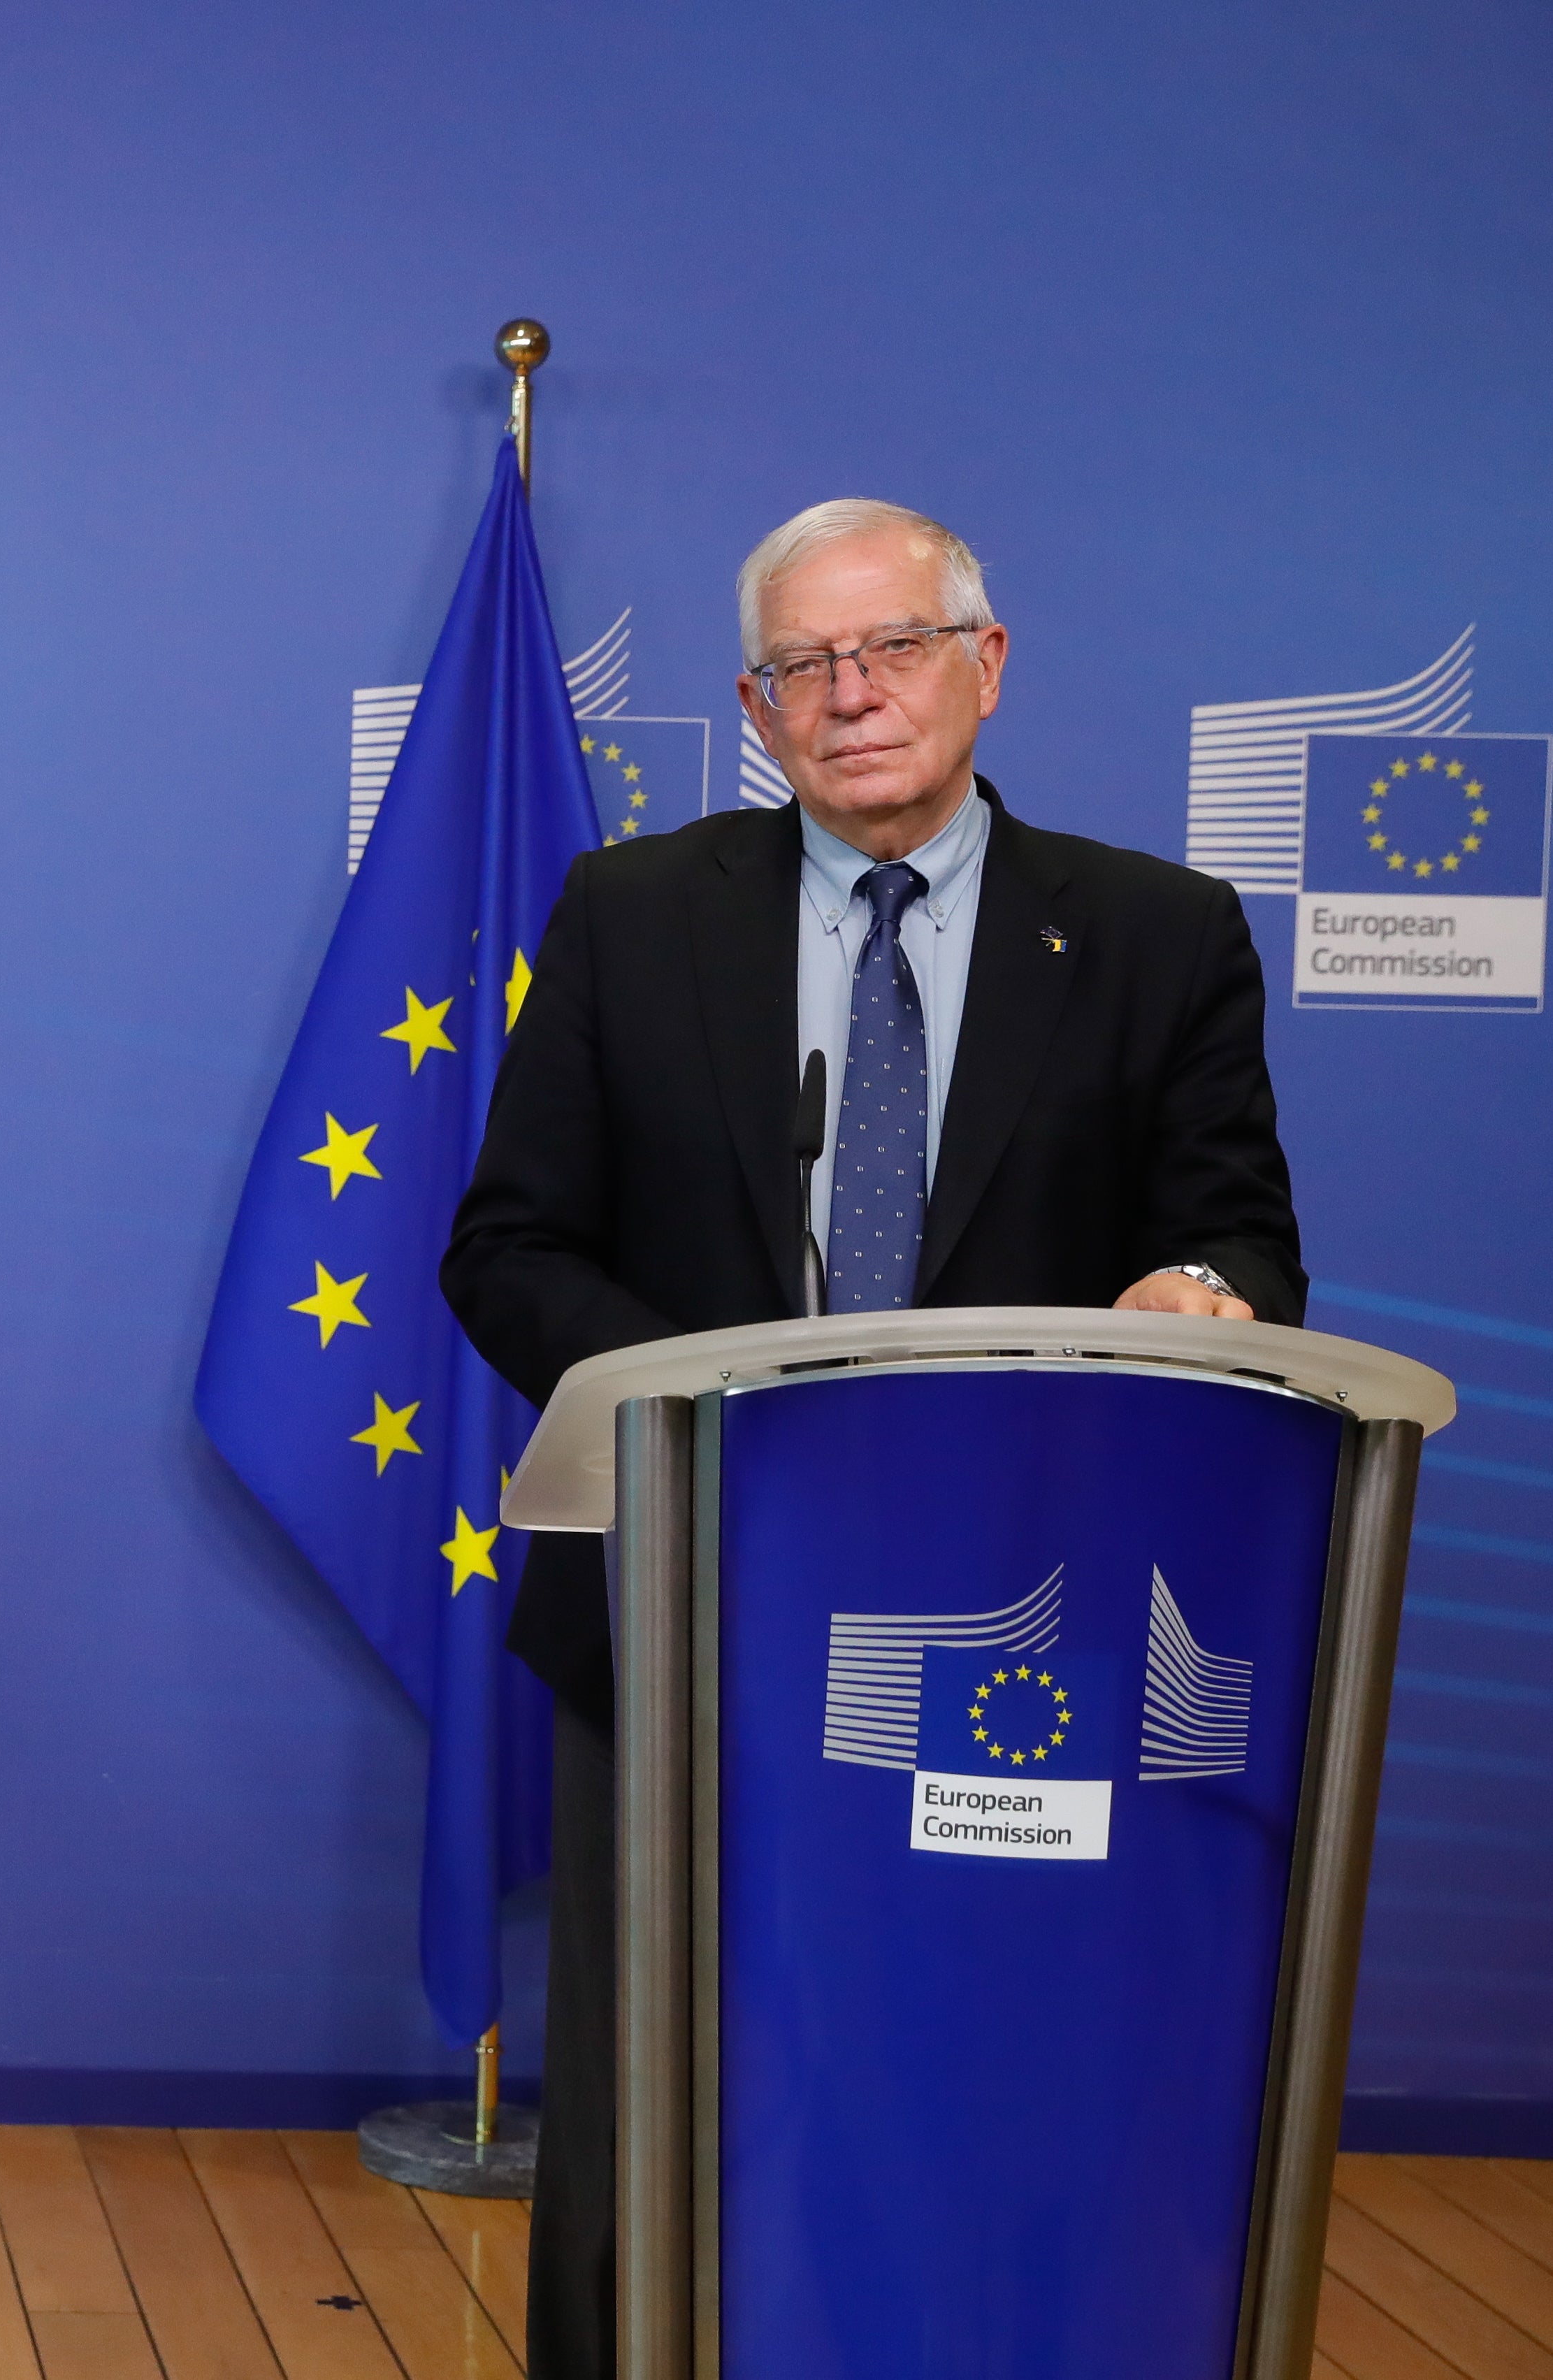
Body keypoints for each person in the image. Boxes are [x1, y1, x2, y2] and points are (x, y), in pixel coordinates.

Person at [439, 498, 1305, 2380]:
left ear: (981, 665)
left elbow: (1238, 1245)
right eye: (801, 669)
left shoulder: (1156, 935)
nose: (850, 698)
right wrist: (729, 1414)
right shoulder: (634, 916)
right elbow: (506, 1251)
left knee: (989, 2059)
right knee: (658, 2080)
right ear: (754, 713)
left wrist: (1201, 1297)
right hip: (684, 1597)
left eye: (889, 647)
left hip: (1036, 1625)